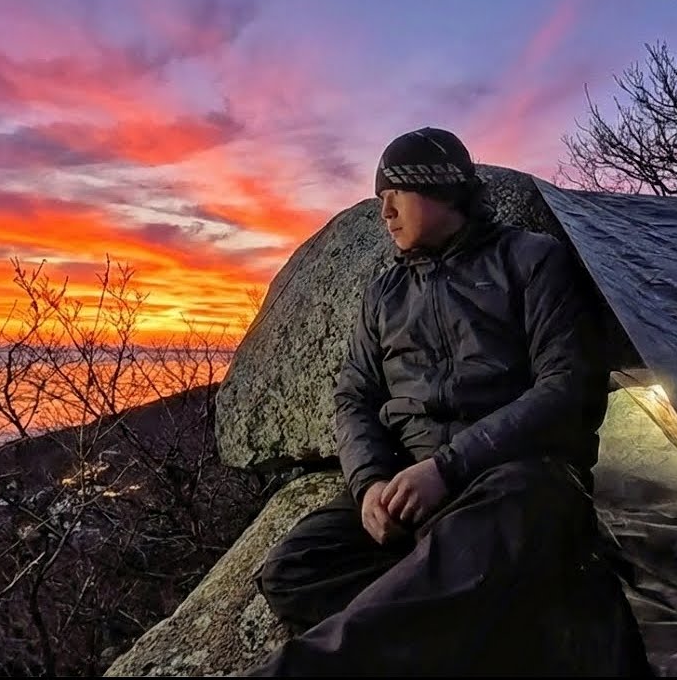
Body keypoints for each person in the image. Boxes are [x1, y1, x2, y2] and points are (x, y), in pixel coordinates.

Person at [242, 127, 651, 676]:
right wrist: (369, 486)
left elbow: (567, 386)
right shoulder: (385, 293)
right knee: (295, 569)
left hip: (512, 479)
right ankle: (479, 615)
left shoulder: (530, 261)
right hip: (414, 489)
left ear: (441, 189)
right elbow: (354, 396)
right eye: (379, 198)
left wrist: (449, 467)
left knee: (493, 531)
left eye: (395, 194)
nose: (383, 211)